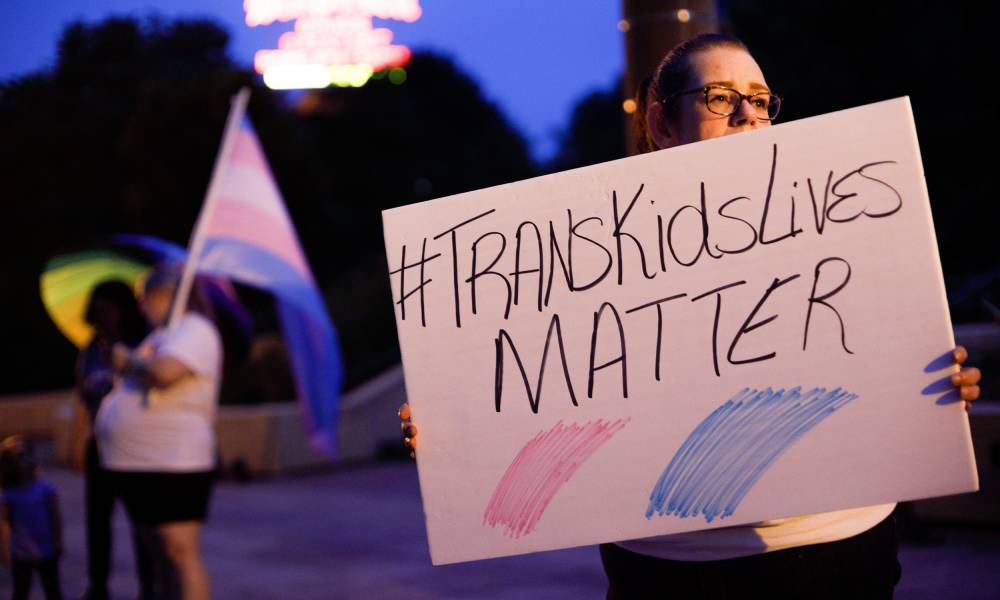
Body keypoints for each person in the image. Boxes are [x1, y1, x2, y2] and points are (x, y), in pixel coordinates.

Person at [400, 33, 984, 599]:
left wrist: (936, 384)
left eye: (759, 100)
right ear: (661, 124)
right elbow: (535, 371)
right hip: (666, 569)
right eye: (720, 97)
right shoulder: (596, 253)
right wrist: (454, 427)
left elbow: (885, 358)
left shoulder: (845, 222)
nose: (747, 116)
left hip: (834, 550)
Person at [95, 264, 222, 600]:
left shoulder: (195, 328)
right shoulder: (161, 334)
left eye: (144, 297)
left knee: (179, 552)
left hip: (173, 463)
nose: (140, 306)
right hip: (139, 465)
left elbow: (166, 372)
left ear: (165, 294)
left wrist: (128, 361)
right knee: (159, 557)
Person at [70, 279, 153, 600]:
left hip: (134, 448)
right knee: (97, 520)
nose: (103, 316)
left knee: (140, 522)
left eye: (108, 309)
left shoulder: (142, 345)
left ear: (124, 310)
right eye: (98, 310)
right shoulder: (90, 348)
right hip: (100, 445)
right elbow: (82, 394)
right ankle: (98, 585)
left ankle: (148, 586)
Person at [0, 436, 63, 600]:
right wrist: (5, 550)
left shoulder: (46, 489)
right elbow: (6, 523)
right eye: (18, 459)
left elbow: (55, 516)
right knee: (21, 590)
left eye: (27, 457)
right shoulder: (9, 494)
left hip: (46, 549)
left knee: (52, 590)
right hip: (20, 553)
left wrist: (58, 541)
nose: (24, 463)